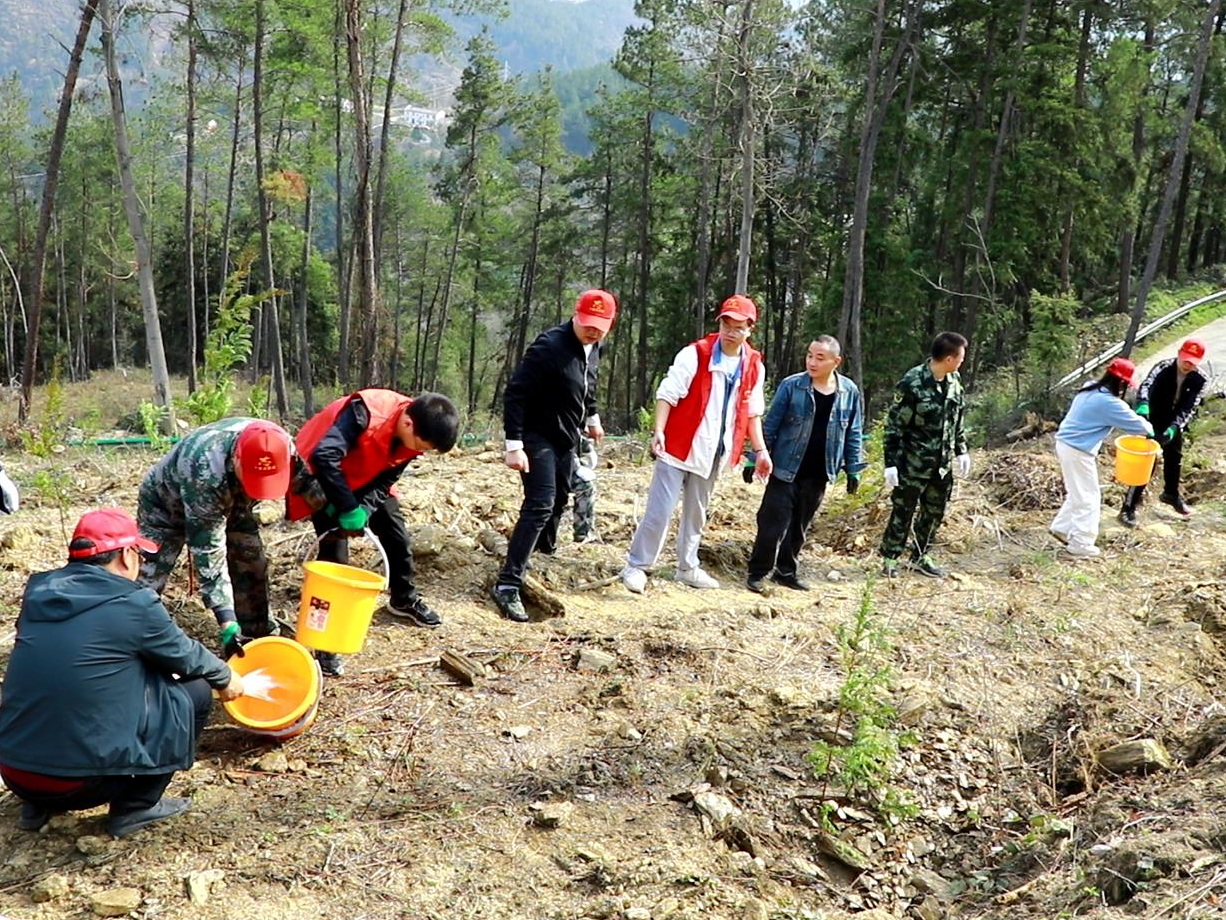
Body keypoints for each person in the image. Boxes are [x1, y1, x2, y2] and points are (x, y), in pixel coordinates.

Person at [0, 509, 244, 838]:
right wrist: (227, 678)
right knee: (198, 690)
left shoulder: (39, 594)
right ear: (128, 556)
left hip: (15, 774)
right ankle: (136, 807)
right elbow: (187, 657)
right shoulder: (133, 603)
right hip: (85, 784)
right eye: (140, 555)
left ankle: (38, 807)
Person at [287, 389, 460, 676]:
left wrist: (363, 511)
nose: (421, 452)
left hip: (368, 473)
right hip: (320, 472)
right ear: (408, 425)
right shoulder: (365, 412)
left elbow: (388, 478)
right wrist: (344, 507)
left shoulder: (414, 433)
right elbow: (325, 456)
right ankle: (325, 645)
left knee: (396, 534)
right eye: (423, 446)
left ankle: (403, 598)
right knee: (335, 557)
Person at [620, 295, 771, 594]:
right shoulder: (695, 354)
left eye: (738, 326)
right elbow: (668, 393)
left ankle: (687, 566)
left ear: (750, 329)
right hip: (677, 446)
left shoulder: (753, 365)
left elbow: (752, 411)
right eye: (727, 323)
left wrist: (761, 450)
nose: (731, 331)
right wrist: (659, 431)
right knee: (660, 511)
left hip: (714, 451)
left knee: (696, 513)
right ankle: (637, 565)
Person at [489, 289, 616, 622]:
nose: (592, 331)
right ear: (576, 316)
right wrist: (513, 444)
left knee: (561, 496)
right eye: (588, 324)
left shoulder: (594, 346)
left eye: (599, 327)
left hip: (564, 437)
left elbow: (589, 383)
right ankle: (507, 583)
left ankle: (543, 553)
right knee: (540, 502)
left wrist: (592, 417)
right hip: (535, 434)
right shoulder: (549, 347)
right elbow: (515, 393)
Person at [138, 418, 293, 657]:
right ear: (236, 459)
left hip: (235, 501)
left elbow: (307, 481)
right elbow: (208, 550)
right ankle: (127, 639)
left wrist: (338, 508)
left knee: (251, 560)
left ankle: (256, 638)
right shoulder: (204, 469)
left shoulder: (280, 446)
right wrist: (225, 618)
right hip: (166, 507)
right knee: (148, 578)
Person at [746, 335, 865, 593]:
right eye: (810, 355)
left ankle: (786, 572)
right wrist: (753, 457)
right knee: (771, 523)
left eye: (819, 358)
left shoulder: (849, 392)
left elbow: (853, 432)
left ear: (836, 361)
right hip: (785, 467)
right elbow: (771, 424)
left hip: (820, 471)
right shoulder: (792, 386)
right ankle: (758, 572)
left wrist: (853, 468)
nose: (812, 362)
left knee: (800, 526)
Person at [879, 331, 971, 579]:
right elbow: (895, 426)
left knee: (934, 511)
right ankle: (890, 557)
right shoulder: (913, 383)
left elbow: (956, 418)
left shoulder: (954, 381)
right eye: (960, 357)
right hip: (912, 463)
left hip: (941, 465)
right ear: (949, 358)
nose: (963, 361)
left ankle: (921, 555)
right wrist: (891, 464)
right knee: (903, 510)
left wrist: (961, 449)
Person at [1052, 358, 1153, 557]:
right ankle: (1081, 543)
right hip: (1077, 450)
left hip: (1065, 444)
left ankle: (1062, 527)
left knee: (1078, 492)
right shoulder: (1109, 403)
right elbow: (1143, 428)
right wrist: (1145, 418)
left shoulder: (1089, 389)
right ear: (1122, 383)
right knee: (1089, 497)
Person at [1118, 337, 1209, 527]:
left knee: (1175, 457)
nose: (1187, 365)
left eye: (1192, 362)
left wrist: (1175, 428)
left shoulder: (1199, 379)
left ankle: (1171, 493)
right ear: (1179, 354)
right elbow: (1146, 385)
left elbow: (1189, 407)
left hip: (1173, 421)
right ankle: (1128, 507)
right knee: (1146, 462)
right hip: (1153, 417)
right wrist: (1143, 405)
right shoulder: (1163, 368)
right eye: (1185, 359)